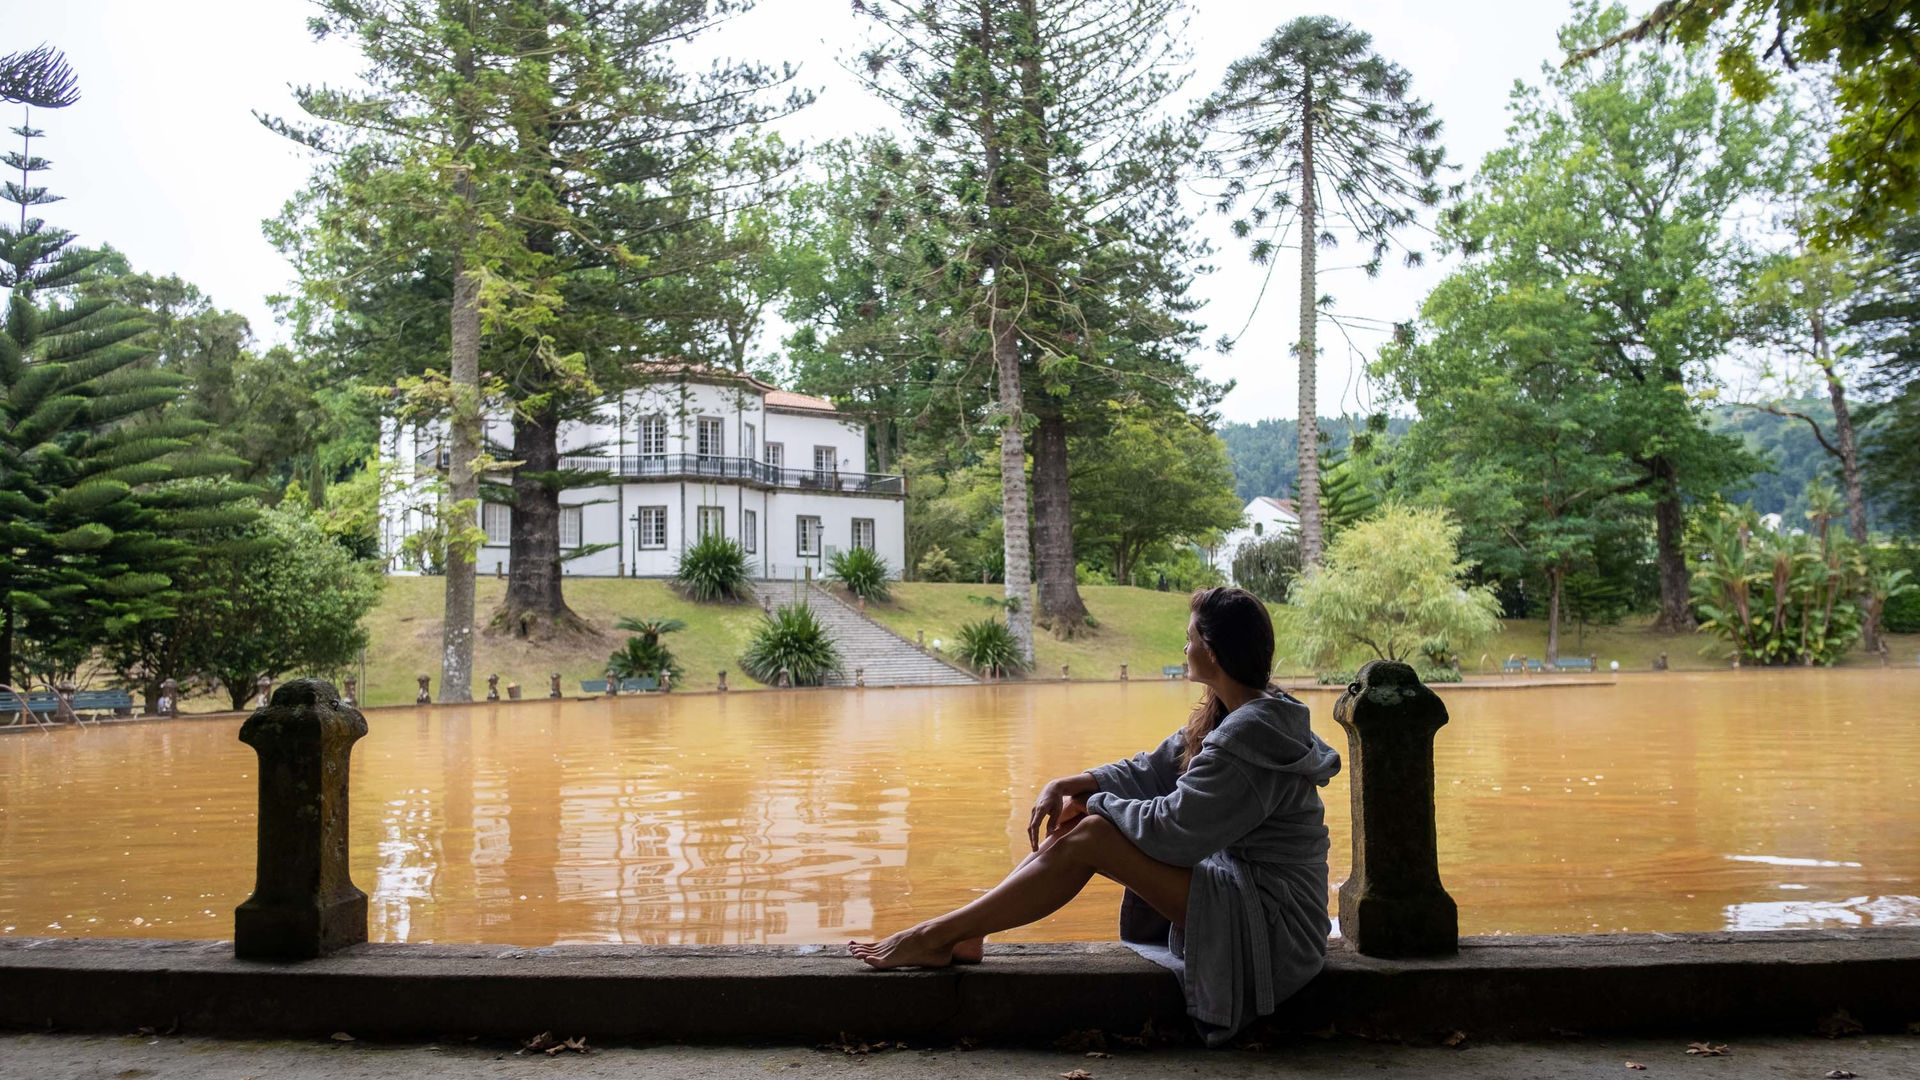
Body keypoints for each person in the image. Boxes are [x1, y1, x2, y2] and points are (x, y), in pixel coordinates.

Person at [849, 586, 1342, 1045]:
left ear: (1211, 652)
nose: (1183, 645)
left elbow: (1175, 830)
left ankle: (934, 936)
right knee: (1089, 822)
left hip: (1275, 926)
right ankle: (966, 931)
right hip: (1246, 893)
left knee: (1093, 834)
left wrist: (1096, 805)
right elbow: (1155, 768)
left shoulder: (1253, 731)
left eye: (1189, 636)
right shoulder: (1235, 710)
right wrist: (1073, 784)